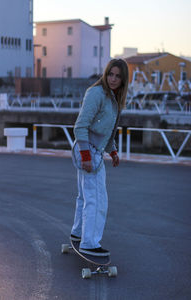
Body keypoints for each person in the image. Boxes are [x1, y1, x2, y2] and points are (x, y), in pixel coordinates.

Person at [70, 59, 129, 256]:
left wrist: (112, 151)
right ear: (105, 74)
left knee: (85, 196)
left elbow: (107, 132)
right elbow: (80, 126)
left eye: (117, 76)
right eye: (110, 74)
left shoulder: (113, 98)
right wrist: (86, 156)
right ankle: (90, 243)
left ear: (123, 79)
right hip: (88, 151)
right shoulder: (96, 93)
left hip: (93, 151)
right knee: (97, 200)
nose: (113, 79)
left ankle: (78, 234)